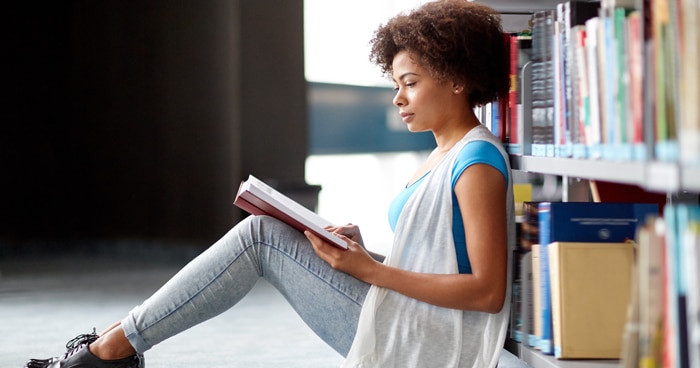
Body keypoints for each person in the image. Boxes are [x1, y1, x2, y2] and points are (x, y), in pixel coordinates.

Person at [24, 0, 514, 367]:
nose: (398, 98)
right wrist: (371, 257)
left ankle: (108, 351)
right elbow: (444, 260)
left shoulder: (475, 163)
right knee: (265, 231)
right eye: (395, 84)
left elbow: (487, 291)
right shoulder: (444, 154)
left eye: (410, 82)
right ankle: (111, 346)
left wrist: (371, 272)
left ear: (456, 78)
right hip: (406, 311)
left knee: (258, 236)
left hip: (431, 342)